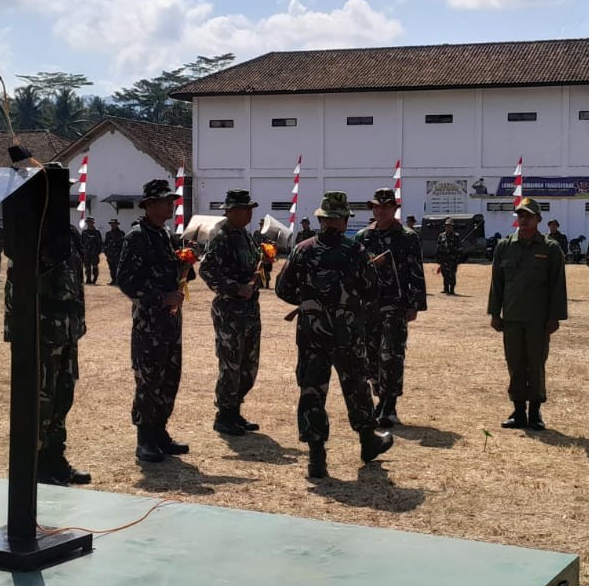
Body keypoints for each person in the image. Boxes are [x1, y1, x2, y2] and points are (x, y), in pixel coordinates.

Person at [276, 191, 394, 480]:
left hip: (311, 333)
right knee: (356, 387)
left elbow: (283, 289)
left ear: (320, 218)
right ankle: (368, 442)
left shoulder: (302, 249)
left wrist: (310, 304)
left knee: (312, 391)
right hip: (347, 333)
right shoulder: (355, 251)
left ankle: (316, 459)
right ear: (342, 220)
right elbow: (372, 290)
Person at [5, 193, 91, 486]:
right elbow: (16, 287)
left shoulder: (67, 234)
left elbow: (77, 284)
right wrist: (17, 332)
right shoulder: (32, 234)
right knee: (40, 400)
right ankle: (37, 463)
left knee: (62, 397)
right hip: (41, 333)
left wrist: (78, 324)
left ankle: (56, 457)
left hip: (66, 331)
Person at [117, 179, 187, 464]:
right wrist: (161, 299)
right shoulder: (138, 237)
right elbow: (127, 283)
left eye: (171, 201)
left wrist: (185, 264)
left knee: (170, 377)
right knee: (149, 380)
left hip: (170, 322)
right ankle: (144, 439)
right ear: (149, 206)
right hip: (149, 323)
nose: (171, 205)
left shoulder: (164, 235)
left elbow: (171, 274)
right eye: (165, 201)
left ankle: (160, 432)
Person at [487, 198, 568, 431]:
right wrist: (495, 312)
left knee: (536, 363)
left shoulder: (550, 248)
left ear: (538, 220)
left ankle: (535, 412)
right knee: (515, 363)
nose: (524, 219)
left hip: (538, 319)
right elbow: (497, 283)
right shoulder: (504, 246)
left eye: (529, 216)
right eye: (520, 215)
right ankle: (518, 410)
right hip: (512, 318)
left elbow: (557, 285)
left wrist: (555, 317)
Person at [354, 187, 427, 428]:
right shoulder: (363, 236)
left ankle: (390, 404)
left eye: (385, 206)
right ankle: (380, 398)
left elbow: (416, 270)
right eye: (376, 206)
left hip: (395, 305)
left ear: (394, 209)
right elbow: (355, 272)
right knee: (371, 355)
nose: (380, 210)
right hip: (369, 305)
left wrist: (415, 304)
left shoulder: (407, 236)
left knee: (392, 354)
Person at [200, 189, 264, 436]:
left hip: (248, 310)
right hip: (230, 311)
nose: (249, 213)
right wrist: (236, 288)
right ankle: (224, 415)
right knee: (231, 363)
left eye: (250, 209)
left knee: (248, 364)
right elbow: (207, 271)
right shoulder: (222, 237)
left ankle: (235, 410)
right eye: (245, 209)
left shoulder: (245, 236)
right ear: (231, 211)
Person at [435, 218, 464, 296]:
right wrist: (438, 259)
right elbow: (438, 247)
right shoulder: (441, 236)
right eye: (447, 226)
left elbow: (460, 248)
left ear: (452, 227)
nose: (448, 227)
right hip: (444, 258)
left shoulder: (456, 236)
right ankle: (446, 288)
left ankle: (452, 289)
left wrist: (458, 259)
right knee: (444, 274)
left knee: (452, 274)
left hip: (453, 259)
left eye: (450, 226)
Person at [80, 216, 104, 285]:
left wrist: (98, 252)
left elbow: (99, 243)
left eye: (90, 222)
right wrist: (83, 251)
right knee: (87, 267)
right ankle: (88, 279)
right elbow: (82, 242)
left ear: (93, 223)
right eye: (87, 222)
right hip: (86, 253)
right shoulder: (84, 232)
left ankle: (94, 279)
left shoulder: (96, 232)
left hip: (94, 253)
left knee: (95, 266)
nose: (89, 223)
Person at [103, 218, 126, 285]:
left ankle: (119, 281)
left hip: (118, 254)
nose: (112, 225)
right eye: (111, 224)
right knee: (112, 268)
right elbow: (105, 244)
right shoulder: (108, 234)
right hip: (110, 254)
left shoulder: (121, 233)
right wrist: (106, 252)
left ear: (116, 224)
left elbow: (123, 244)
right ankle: (113, 280)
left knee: (118, 268)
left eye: (114, 224)